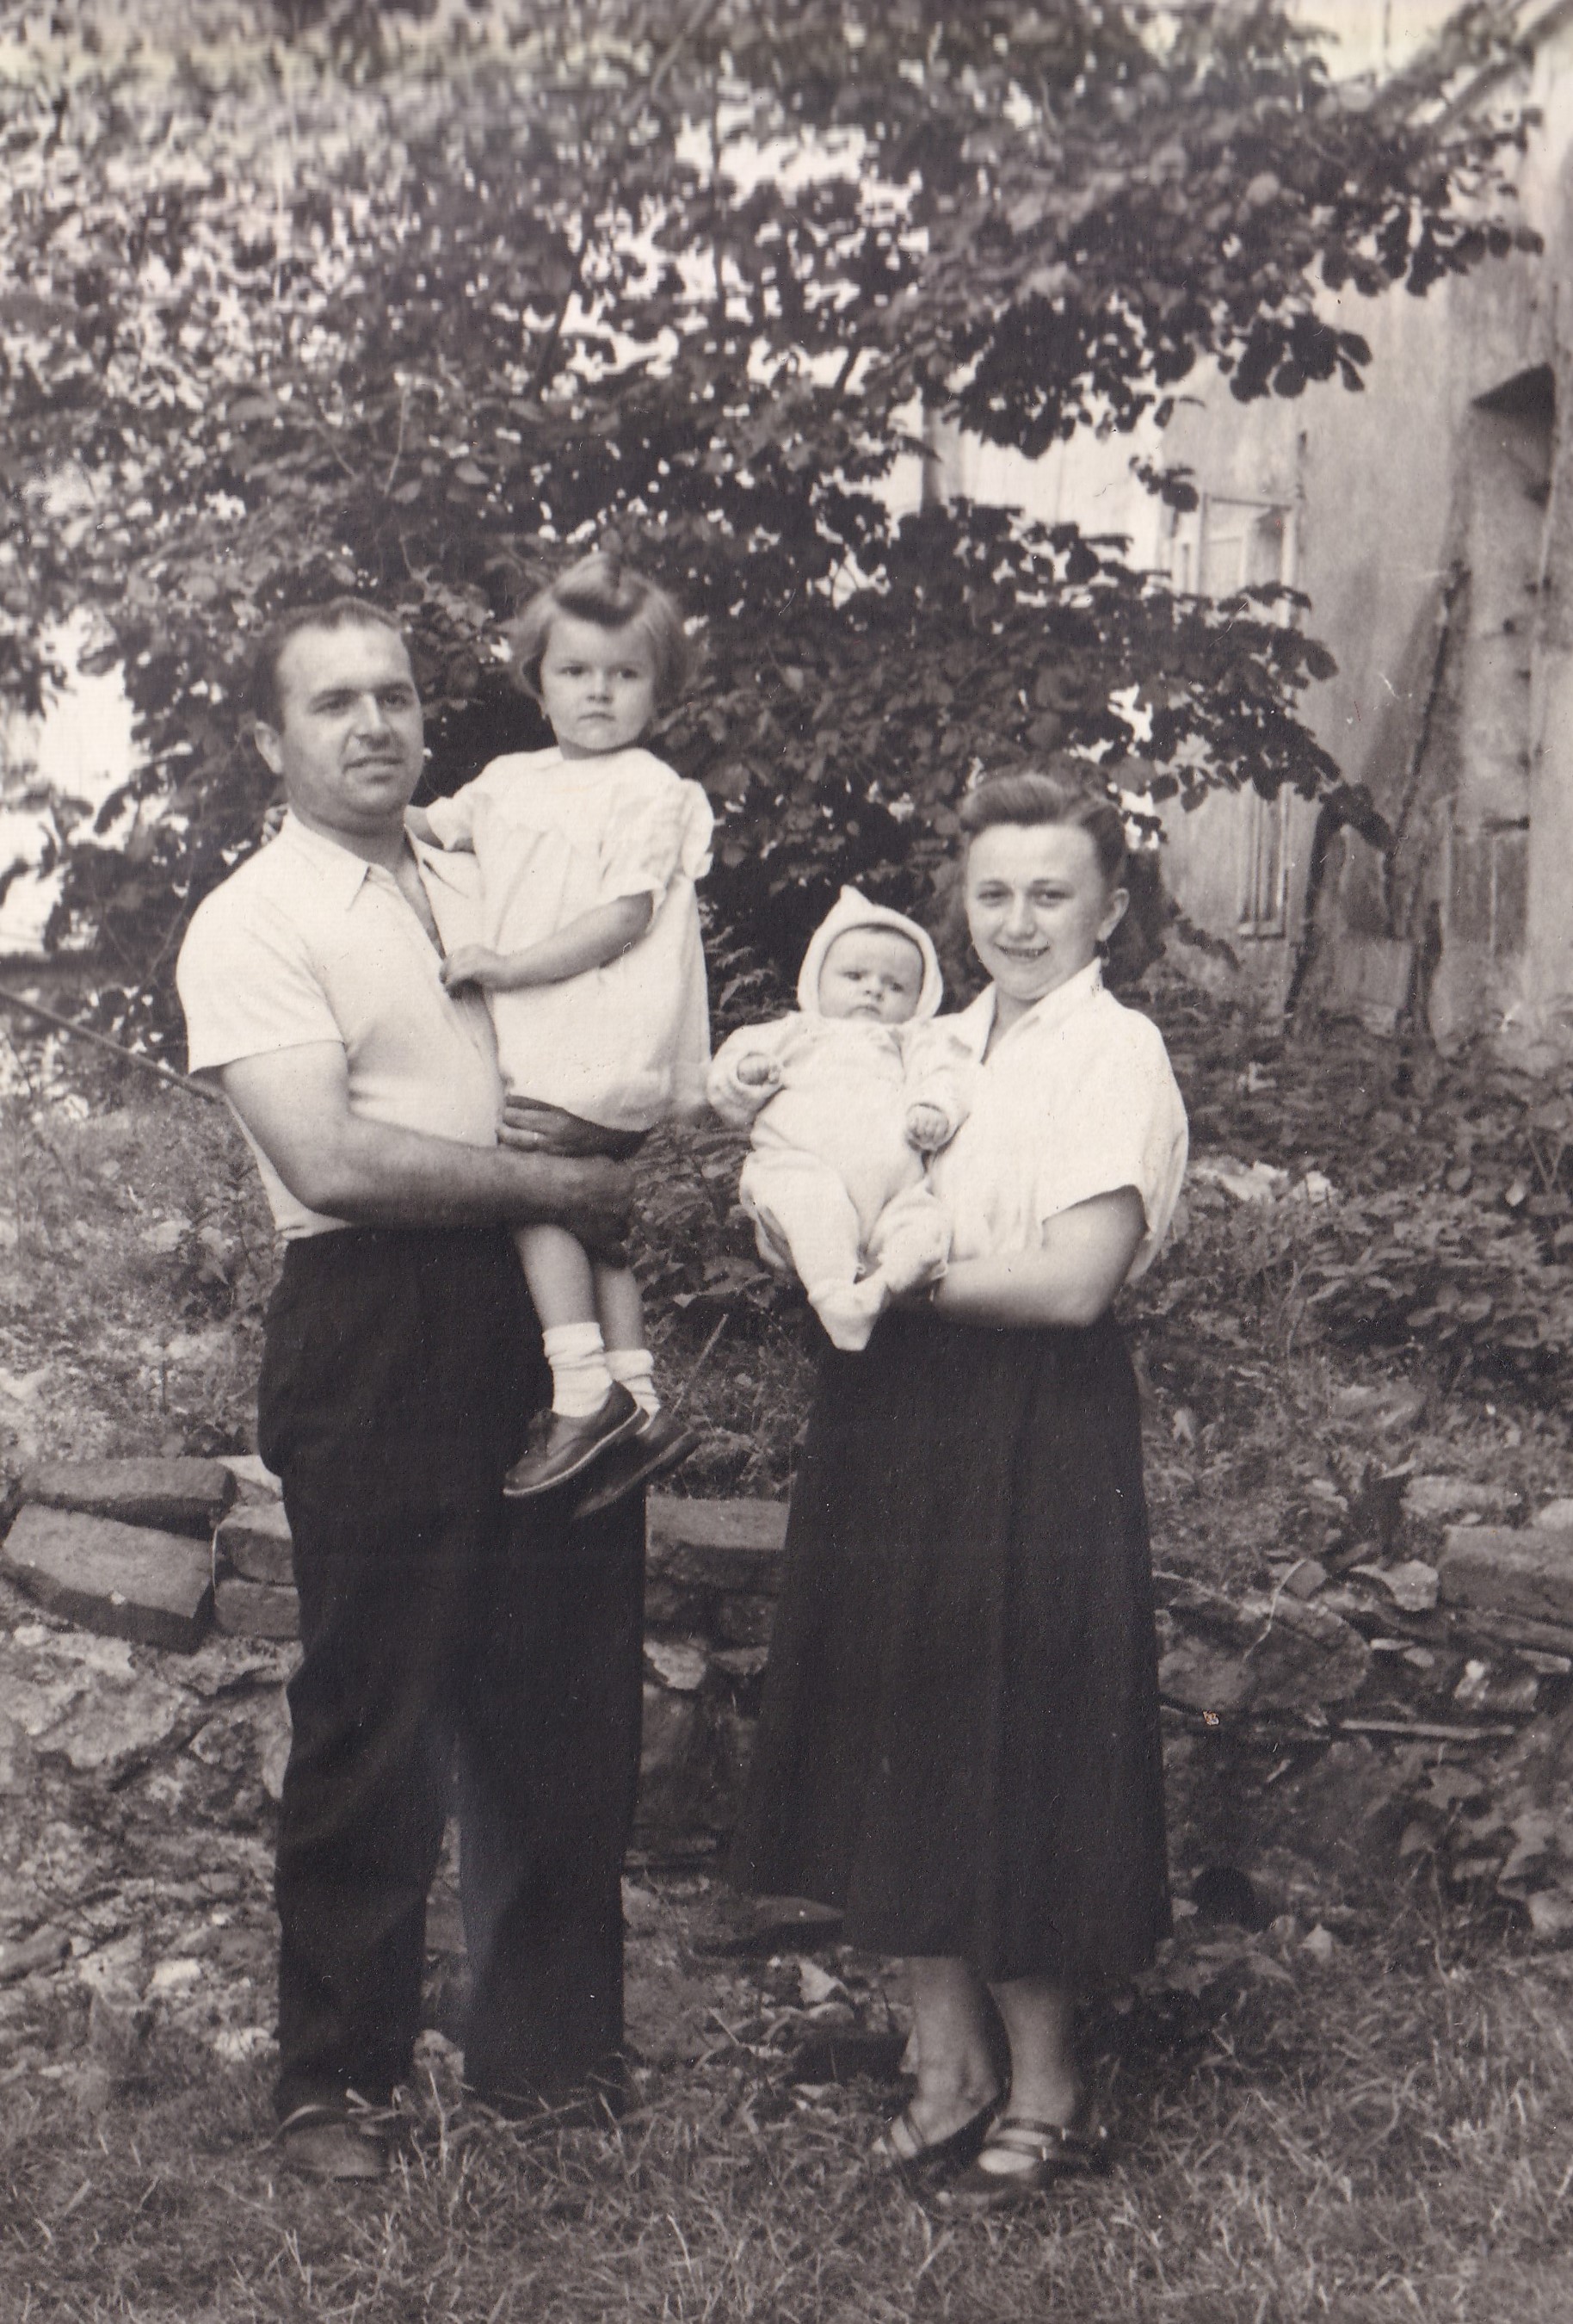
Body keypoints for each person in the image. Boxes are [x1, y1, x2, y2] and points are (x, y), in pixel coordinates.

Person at [176, 597, 648, 2180]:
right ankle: (336, 2084)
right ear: (269, 739)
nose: (373, 725)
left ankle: (551, 2064)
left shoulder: (481, 868)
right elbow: (329, 1158)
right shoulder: (252, 918)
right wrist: (559, 1186)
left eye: (393, 695)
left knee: (563, 1693)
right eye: (333, 704)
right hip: (377, 1318)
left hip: (544, 1302)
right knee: (374, 1709)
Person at [730, 766, 1188, 2211]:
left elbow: (1072, 1281)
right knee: (895, 1715)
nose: (1018, 919)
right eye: (992, 892)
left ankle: (1047, 2083)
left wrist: (891, 1286)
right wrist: (798, 1226)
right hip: (891, 1407)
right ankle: (946, 2059)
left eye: (1051, 892)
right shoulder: (923, 1041)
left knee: (1022, 1731)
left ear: (1109, 908)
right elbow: (816, 1170)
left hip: (1032, 1418)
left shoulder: (1113, 1052)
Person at [409, 552, 712, 1509]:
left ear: (658, 690)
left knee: (532, 1185)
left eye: (625, 675)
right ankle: (640, 1397)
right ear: (537, 682)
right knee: (590, 1213)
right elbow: (433, 827)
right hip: (556, 1027)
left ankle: (581, 1391)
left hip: (599, 1026)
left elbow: (621, 917)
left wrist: (505, 964)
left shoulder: (649, 789)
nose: (598, 692)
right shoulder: (509, 779)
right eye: (575, 671)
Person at [706, 887, 971, 1350]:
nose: (874, 989)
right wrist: (748, 1073)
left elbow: (946, 1076)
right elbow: (726, 1082)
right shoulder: (794, 1033)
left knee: (927, 1228)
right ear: (817, 980)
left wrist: (933, 1109)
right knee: (813, 1203)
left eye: (895, 986)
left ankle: (883, 1287)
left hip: (894, 1193)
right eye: (854, 975)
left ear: (920, 1000)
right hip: (801, 1168)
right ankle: (833, 1294)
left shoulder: (912, 1042)